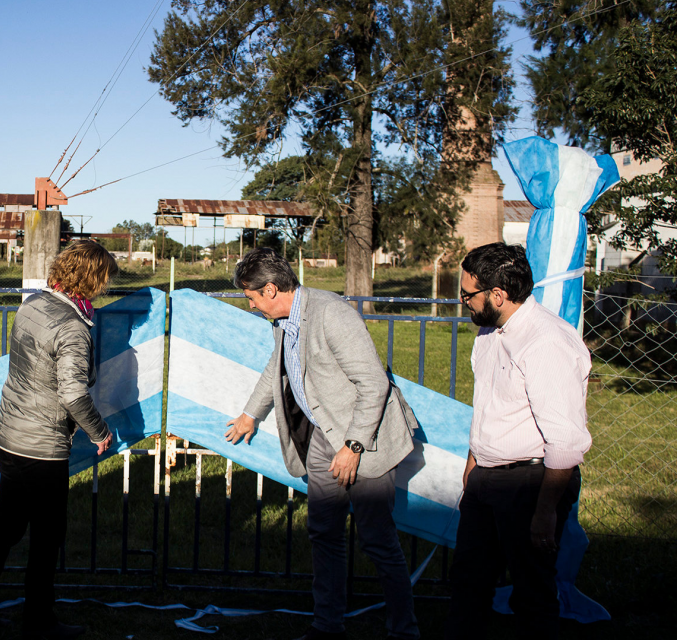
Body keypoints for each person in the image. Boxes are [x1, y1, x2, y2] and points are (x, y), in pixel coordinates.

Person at [225, 248, 420, 640]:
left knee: (378, 541)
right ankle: (327, 626)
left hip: (366, 441)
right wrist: (250, 413)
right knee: (324, 534)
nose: (251, 305)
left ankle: (404, 631)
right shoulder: (283, 322)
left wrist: (353, 446)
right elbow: (276, 366)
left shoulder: (332, 314)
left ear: (271, 289)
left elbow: (374, 384)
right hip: (323, 439)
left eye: (252, 297)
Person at [0, 241, 117, 640]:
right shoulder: (73, 326)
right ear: (92, 279)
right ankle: (39, 619)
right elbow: (73, 394)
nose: (105, 288)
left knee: (8, 526)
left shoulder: (33, 304)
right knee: (47, 536)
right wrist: (99, 432)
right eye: (104, 279)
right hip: (40, 446)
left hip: (10, 434)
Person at [445, 243, 591, 640]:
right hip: (486, 479)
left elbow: (565, 441)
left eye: (468, 295)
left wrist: (545, 511)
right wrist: (473, 468)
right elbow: (489, 406)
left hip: (531, 483)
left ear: (498, 294)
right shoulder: (489, 333)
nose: (463, 302)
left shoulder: (547, 342)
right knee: (468, 583)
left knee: (532, 591)